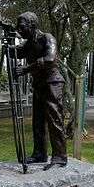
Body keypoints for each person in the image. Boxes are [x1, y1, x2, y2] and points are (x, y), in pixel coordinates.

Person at [14, 12, 67, 170]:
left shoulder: (47, 38)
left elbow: (50, 59)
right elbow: (15, 52)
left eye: (22, 27)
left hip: (53, 83)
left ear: (32, 25)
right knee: (38, 121)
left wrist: (26, 69)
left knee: (54, 119)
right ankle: (39, 154)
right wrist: (8, 41)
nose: (19, 30)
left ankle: (60, 157)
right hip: (39, 85)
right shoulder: (28, 44)